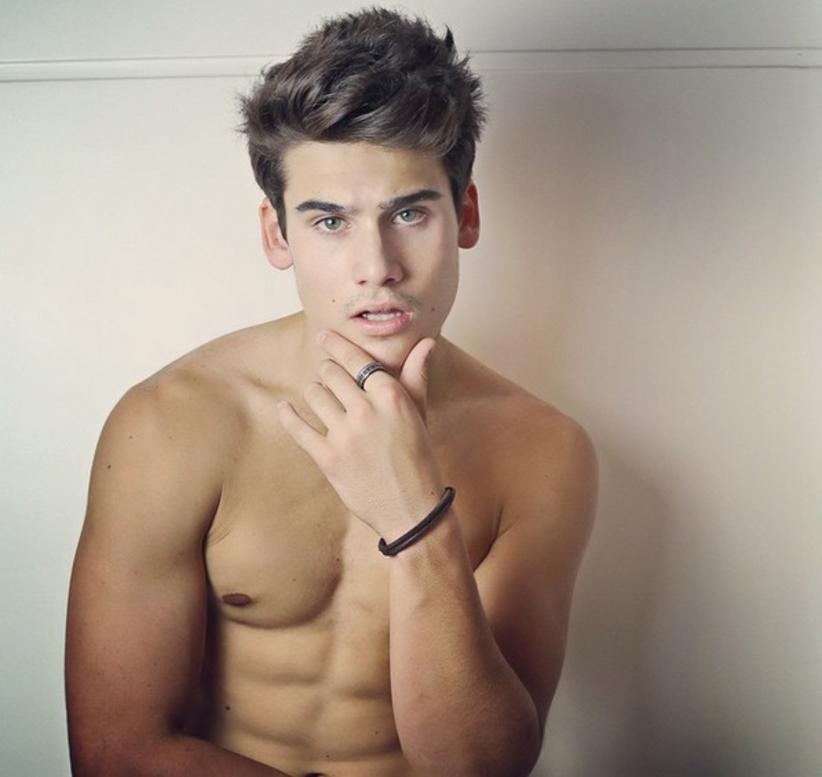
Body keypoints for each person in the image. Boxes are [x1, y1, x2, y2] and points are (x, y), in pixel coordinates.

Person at [65, 7, 598, 777]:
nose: (376, 266)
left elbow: (482, 767)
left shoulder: (544, 451)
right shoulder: (172, 425)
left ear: (466, 215)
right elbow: (116, 753)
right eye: (329, 222)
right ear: (277, 233)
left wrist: (417, 521)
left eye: (409, 212)